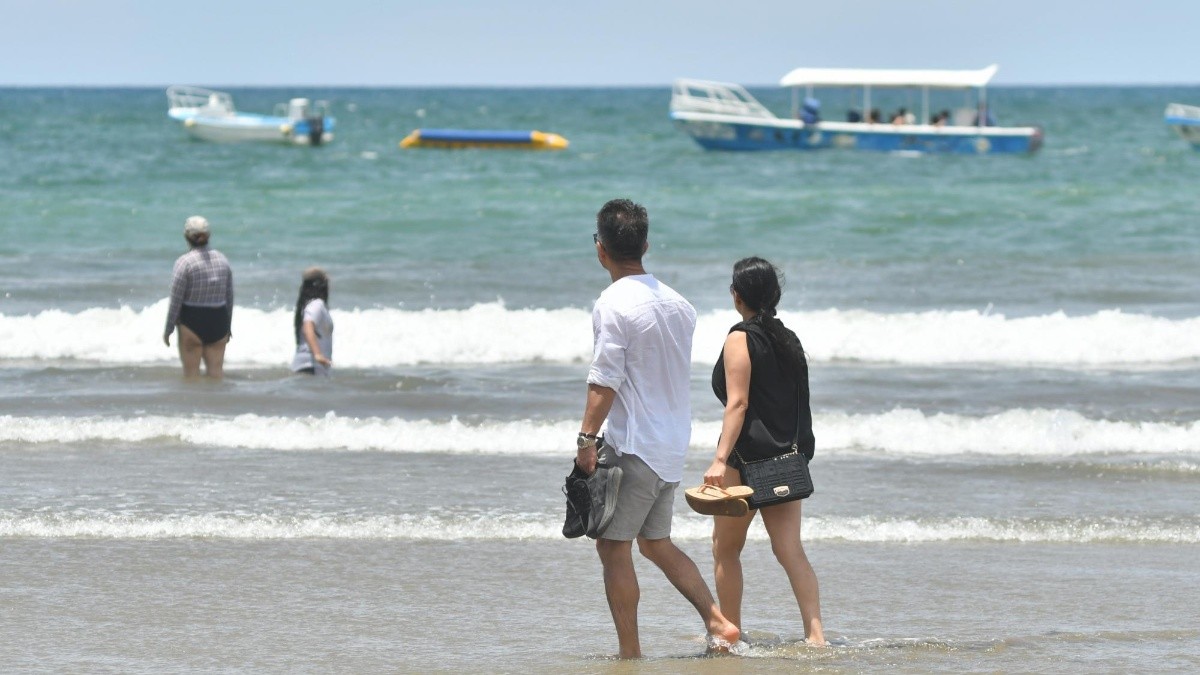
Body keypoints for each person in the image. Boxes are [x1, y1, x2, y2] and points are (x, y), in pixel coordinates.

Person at [575, 198, 740, 659]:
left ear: (600, 249)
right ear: (645, 245)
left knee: (613, 548)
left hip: (634, 445)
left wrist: (587, 439)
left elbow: (604, 378)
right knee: (656, 543)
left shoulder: (612, 304)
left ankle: (629, 654)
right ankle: (718, 622)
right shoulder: (680, 304)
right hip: (669, 445)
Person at [702, 257, 826, 645]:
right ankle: (816, 636)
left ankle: (729, 634)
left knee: (725, 549)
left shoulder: (740, 338)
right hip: (785, 460)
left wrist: (720, 459)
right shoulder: (788, 338)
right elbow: (797, 402)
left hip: (746, 459)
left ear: (737, 295)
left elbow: (737, 404)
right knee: (790, 550)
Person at [163, 215, 233, 378]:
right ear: (208, 236)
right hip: (218, 319)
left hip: (192, 320)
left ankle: (193, 403)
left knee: (191, 375)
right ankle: (215, 403)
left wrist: (169, 329)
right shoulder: (222, 260)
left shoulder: (184, 262)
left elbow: (176, 299)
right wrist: (228, 326)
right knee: (216, 374)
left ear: (186, 236)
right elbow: (229, 297)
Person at [291, 267, 333, 375]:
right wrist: (318, 354)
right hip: (310, 366)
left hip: (307, 366)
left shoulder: (308, 305)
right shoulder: (316, 304)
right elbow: (308, 327)